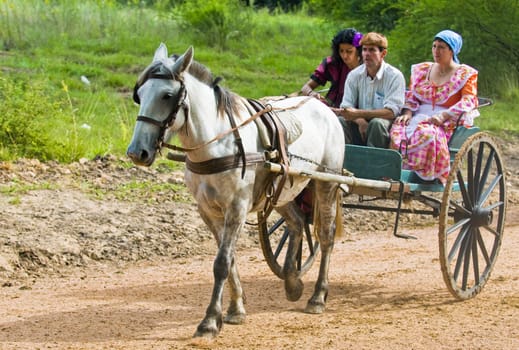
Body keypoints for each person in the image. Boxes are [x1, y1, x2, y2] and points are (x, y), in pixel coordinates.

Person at [389, 29, 479, 185]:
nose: (436, 51)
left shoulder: (464, 74)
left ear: (452, 50)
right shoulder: (423, 70)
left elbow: (469, 100)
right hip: (419, 115)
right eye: (434, 46)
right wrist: (408, 112)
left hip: (447, 119)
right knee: (398, 129)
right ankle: (396, 171)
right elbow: (412, 96)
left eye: (442, 47)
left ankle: (423, 173)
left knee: (427, 134)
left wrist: (444, 115)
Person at [331, 32, 406, 148]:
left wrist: (358, 113)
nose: (367, 54)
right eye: (364, 50)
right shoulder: (354, 75)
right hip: (359, 121)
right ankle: (347, 162)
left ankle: (374, 163)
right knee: (340, 121)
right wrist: (361, 121)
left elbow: (391, 112)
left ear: (383, 53)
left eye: (372, 50)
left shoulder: (395, 76)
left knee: (377, 124)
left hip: (385, 123)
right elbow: (346, 106)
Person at [300, 28, 363, 107]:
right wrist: (311, 93)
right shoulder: (332, 64)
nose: (344, 56)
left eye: (349, 51)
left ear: (358, 50)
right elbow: (305, 87)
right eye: (341, 51)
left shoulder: (367, 67)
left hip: (357, 111)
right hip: (331, 107)